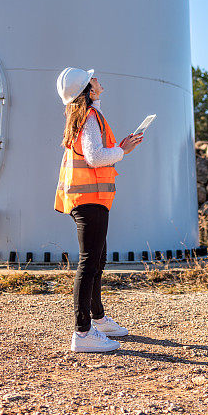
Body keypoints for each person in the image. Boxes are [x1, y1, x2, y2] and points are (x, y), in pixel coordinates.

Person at [54, 67, 143, 353]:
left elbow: (93, 149)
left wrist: (120, 146)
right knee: (89, 263)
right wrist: (123, 151)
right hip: (89, 199)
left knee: (97, 260)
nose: (98, 80)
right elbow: (94, 157)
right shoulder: (89, 117)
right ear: (87, 91)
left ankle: (99, 319)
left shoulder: (86, 115)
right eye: (93, 80)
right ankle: (82, 333)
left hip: (89, 199)